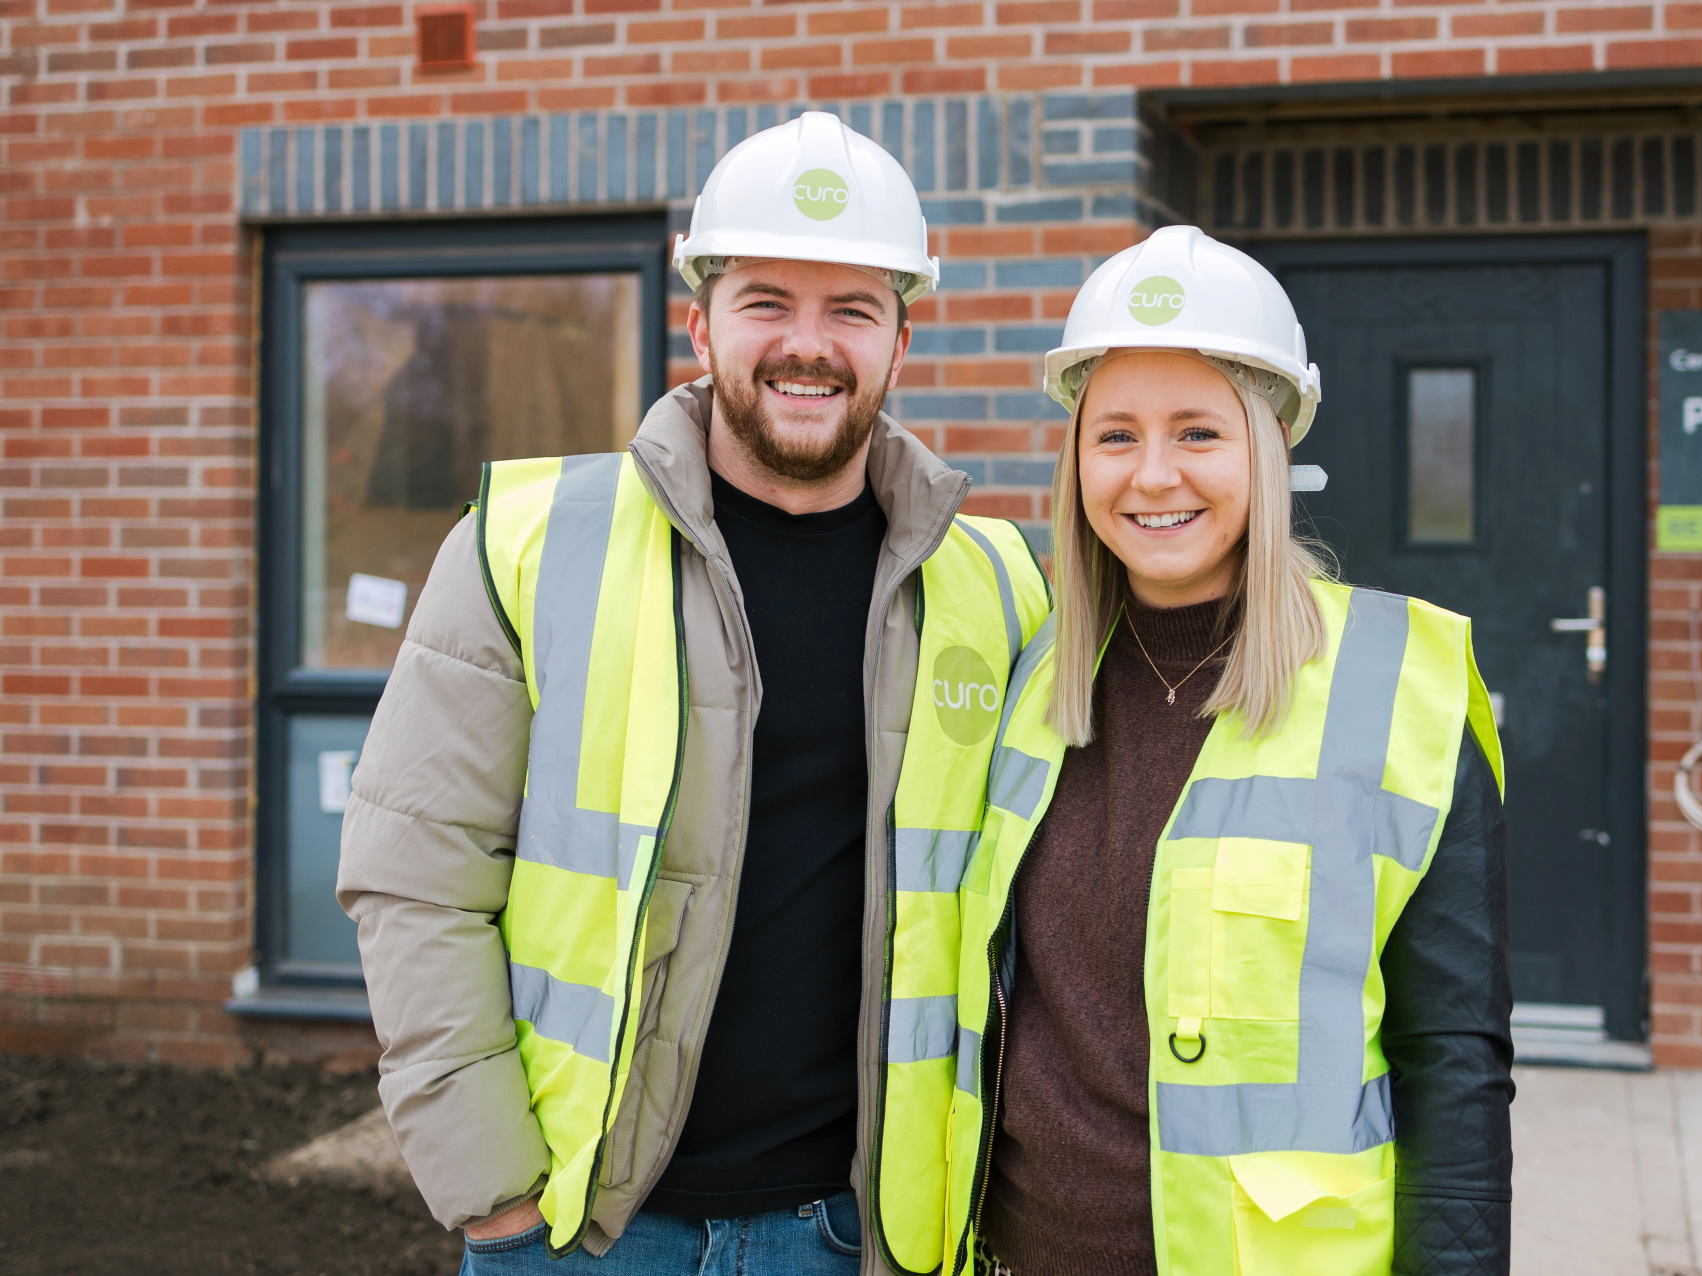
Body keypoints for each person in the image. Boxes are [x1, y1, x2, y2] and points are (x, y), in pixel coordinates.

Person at [336, 112, 1049, 1276]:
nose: (805, 345)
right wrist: (494, 1199)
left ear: (901, 342)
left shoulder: (1003, 590)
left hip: (859, 1235)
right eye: (765, 301)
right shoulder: (522, 546)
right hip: (580, 1236)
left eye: (851, 310)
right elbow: (415, 879)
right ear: (700, 329)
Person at [943, 226, 1513, 1276]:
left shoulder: (1399, 683)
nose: (1151, 474)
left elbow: (1453, 1063)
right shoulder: (1019, 676)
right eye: (1114, 436)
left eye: (1197, 432)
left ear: (1268, 442)